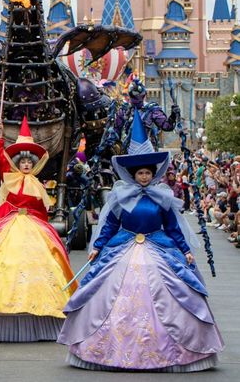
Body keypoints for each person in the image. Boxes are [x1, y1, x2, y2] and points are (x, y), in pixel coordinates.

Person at [58, 109, 223, 371]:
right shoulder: (120, 198)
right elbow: (110, 225)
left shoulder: (163, 198)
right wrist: (97, 247)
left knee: (175, 291)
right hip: (122, 247)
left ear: (153, 174)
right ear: (133, 174)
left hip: (159, 248)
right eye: (140, 173)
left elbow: (172, 227)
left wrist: (185, 250)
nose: (144, 177)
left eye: (148, 173)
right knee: (106, 289)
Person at [0, 116, 76, 342]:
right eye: (23, 162)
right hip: (10, 226)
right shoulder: (10, 177)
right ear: (17, 162)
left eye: (29, 162)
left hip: (35, 229)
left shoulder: (38, 185)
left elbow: (41, 212)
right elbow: (0, 159)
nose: (26, 165)